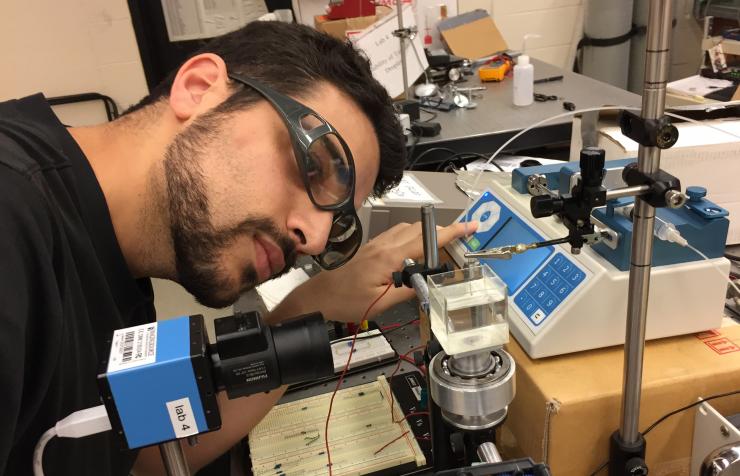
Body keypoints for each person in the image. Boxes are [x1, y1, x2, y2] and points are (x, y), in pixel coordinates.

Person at [0, 20, 475, 475]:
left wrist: (312, 305)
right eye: (313, 168)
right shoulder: (14, 219)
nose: (313, 239)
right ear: (201, 87)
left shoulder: (111, 260)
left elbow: (141, 459)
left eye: (338, 224)